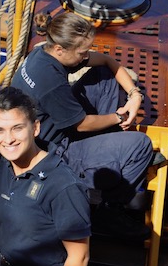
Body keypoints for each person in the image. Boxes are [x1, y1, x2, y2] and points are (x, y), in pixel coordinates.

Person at [10, 12, 154, 240]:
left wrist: (134, 94)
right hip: (55, 152)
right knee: (141, 145)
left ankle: (109, 149)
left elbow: (107, 61)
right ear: (60, 49)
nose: (85, 56)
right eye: (81, 53)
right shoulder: (50, 82)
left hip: (59, 125)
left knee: (103, 75)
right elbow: (81, 125)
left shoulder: (43, 53)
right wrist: (119, 117)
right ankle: (110, 212)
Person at [0, 86, 91, 266]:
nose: (8, 139)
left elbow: (79, 257)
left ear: (35, 128)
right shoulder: (5, 163)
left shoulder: (63, 186)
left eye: (17, 128)